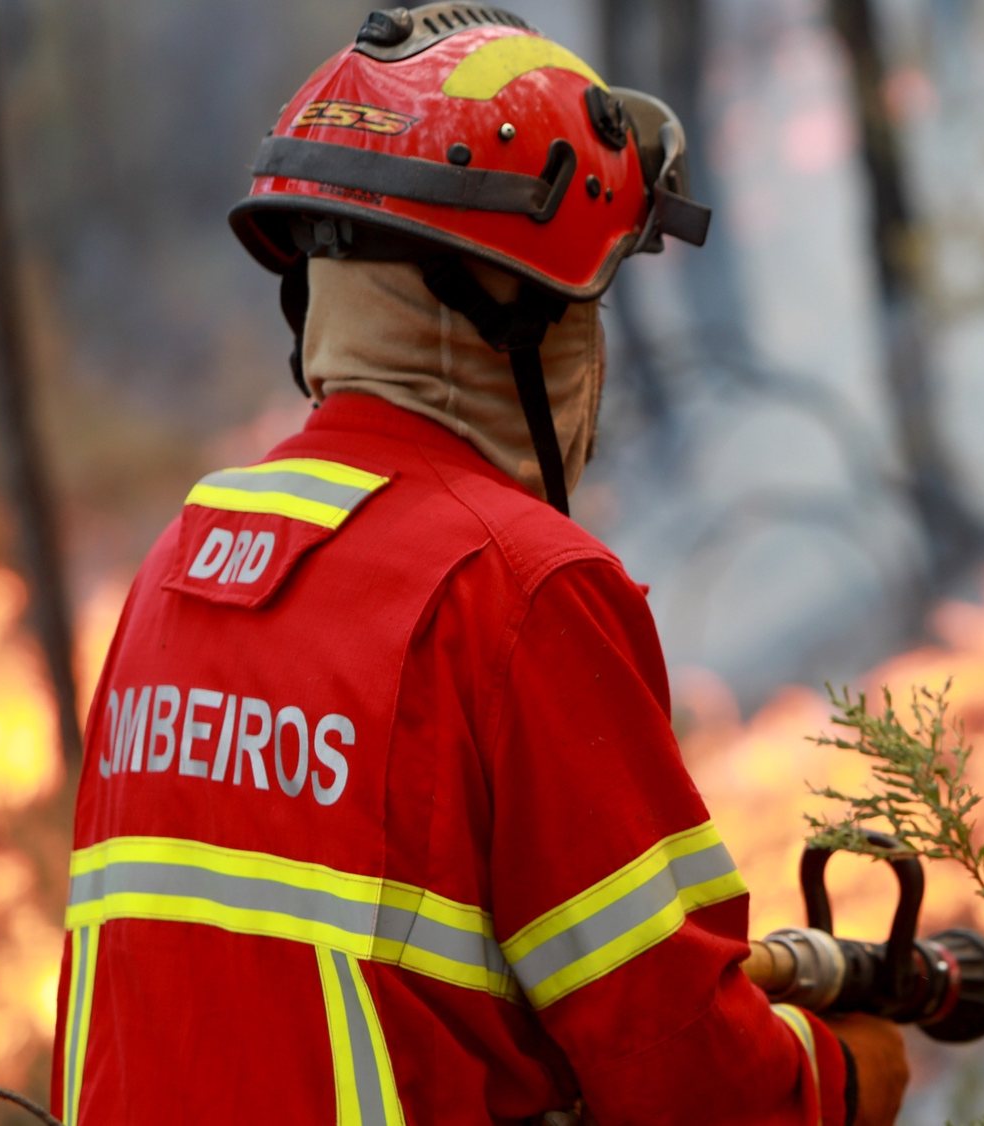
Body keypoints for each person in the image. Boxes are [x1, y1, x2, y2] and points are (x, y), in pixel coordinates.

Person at [51, 6, 909, 1123]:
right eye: (585, 313)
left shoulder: (177, 568)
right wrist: (840, 1075)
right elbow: (690, 1076)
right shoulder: (517, 589)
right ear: (525, 317)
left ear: (315, 295)